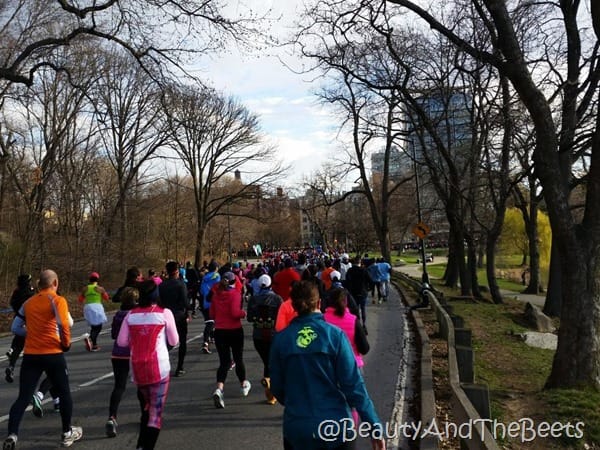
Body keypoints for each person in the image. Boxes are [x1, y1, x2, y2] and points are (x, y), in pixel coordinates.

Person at [269, 281, 385, 450]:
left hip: (298, 428)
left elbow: (277, 387)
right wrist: (374, 426)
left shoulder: (281, 340)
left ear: (293, 305)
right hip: (336, 426)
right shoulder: (335, 336)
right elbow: (354, 386)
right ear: (319, 303)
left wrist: (296, 401)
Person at [3, 269, 83, 449]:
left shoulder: (29, 303)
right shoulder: (57, 300)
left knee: (23, 397)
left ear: (39, 285)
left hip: (31, 354)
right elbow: (64, 324)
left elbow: (15, 327)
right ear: (55, 283)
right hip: (53, 353)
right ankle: (66, 432)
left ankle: (12, 434)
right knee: (64, 393)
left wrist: (31, 333)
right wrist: (66, 343)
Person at [117, 279, 179, 450]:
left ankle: (140, 445)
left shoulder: (131, 315)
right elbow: (174, 340)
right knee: (155, 415)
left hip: (138, 368)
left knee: (146, 409)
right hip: (159, 368)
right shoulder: (164, 313)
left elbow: (121, 342)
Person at [323, 287, 370, 426]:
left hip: (328, 366)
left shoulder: (322, 320)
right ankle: (350, 432)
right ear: (346, 302)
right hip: (353, 365)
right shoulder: (353, 320)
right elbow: (364, 348)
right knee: (353, 404)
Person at [209, 272, 251, 409]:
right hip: (234, 330)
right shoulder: (235, 294)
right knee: (238, 359)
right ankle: (243, 383)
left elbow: (212, 314)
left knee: (224, 362)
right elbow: (234, 312)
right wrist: (243, 313)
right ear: (234, 282)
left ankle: (219, 389)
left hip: (220, 331)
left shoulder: (216, 295)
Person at [106, 286, 139, 438]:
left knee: (119, 386)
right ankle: (145, 415)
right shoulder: (136, 315)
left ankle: (112, 417)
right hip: (134, 353)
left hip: (118, 353)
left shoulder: (118, 314)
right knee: (142, 385)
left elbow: (114, 335)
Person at [246, 274, 283, 404]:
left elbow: (249, 318)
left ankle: (270, 388)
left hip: (258, 336)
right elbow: (281, 318)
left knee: (267, 362)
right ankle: (271, 389)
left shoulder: (253, 299)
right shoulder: (277, 299)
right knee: (272, 363)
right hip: (273, 335)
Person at [158, 260, 191, 377]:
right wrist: (189, 310)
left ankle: (161, 364)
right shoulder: (181, 284)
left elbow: (159, 301)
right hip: (178, 315)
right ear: (177, 271)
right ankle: (180, 367)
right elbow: (185, 301)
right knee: (182, 341)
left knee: (166, 341)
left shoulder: (161, 285)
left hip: (165, 315)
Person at [5, 274, 35, 384]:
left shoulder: (17, 291)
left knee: (18, 343)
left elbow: (12, 302)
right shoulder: (31, 291)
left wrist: (17, 310)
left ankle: (11, 365)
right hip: (30, 319)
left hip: (19, 317)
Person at [78, 272, 109, 351]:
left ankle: (94, 346)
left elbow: (80, 300)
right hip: (97, 307)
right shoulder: (100, 288)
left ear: (90, 280)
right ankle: (90, 339)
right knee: (98, 327)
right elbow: (106, 298)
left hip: (88, 307)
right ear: (97, 280)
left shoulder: (85, 289)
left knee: (93, 327)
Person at [345, 257, 371, 333]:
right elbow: (370, 280)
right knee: (363, 309)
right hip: (363, 292)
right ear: (360, 262)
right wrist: (368, 288)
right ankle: (364, 325)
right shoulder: (364, 270)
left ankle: (357, 325)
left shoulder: (350, 271)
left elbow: (347, 282)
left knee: (354, 309)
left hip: (353, 292)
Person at [199, 260, 220, 354]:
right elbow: (220, 288)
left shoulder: (204, 278)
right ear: (216, 268)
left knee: (210, 322)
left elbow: (202, 291)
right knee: (211, 323)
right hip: (214, 302)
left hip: (205, 302)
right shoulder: (217, 276)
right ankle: (205, 343)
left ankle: (212, 338)